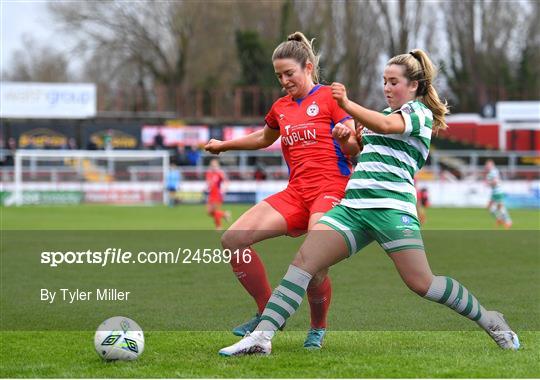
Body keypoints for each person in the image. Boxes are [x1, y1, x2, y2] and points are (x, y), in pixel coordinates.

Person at [219, 48, 519, 356]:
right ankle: (262, 337)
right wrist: (344, 139)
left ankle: (490, 319)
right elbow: (358, 154)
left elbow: (388, 128)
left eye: (394, 82)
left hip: (390, 211)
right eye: (384, 81)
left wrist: (347, 105)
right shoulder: (384, 116)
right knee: (304, 263)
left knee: (422, 283)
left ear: (414, 86)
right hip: (353, 208)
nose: (387, 88)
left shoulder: (418, 114)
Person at [205, 32, 360, 349]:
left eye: (289, 74)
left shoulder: (331, 98)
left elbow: (356, 147)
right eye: (279, 76)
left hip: (331, 189)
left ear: (307, 68)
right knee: (233, 239)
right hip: (296, 193)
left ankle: (317, 327)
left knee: (314, 263)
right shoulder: (281, 107)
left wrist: (346, 137)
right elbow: (263, 138)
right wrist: (224, 146)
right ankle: (267, 314)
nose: (284, 81)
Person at [485, 159, 512, 228]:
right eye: (486, 165)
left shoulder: (493, 172)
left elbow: (495, 182)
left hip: (498, 191)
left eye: (488, 165)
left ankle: (508, 221)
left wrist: (489, 183)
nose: (487, 166)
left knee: (499, 207)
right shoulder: (491, 172)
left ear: (492, 165)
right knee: (491, 207)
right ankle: (500, 219)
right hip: (495, 192)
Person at [206, 158, 231, 230]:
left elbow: (226, 181)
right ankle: (225, 214)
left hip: (217, 194)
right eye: (212, 165)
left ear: (217, 165)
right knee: (209, 212)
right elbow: (209, 183)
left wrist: (224, 190)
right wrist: (206, 187)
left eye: (215, 165)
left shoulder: (219, 173)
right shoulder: (209, 173)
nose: (213, 166)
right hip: (211, 194)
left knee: (215, 211)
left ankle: (218, 227)